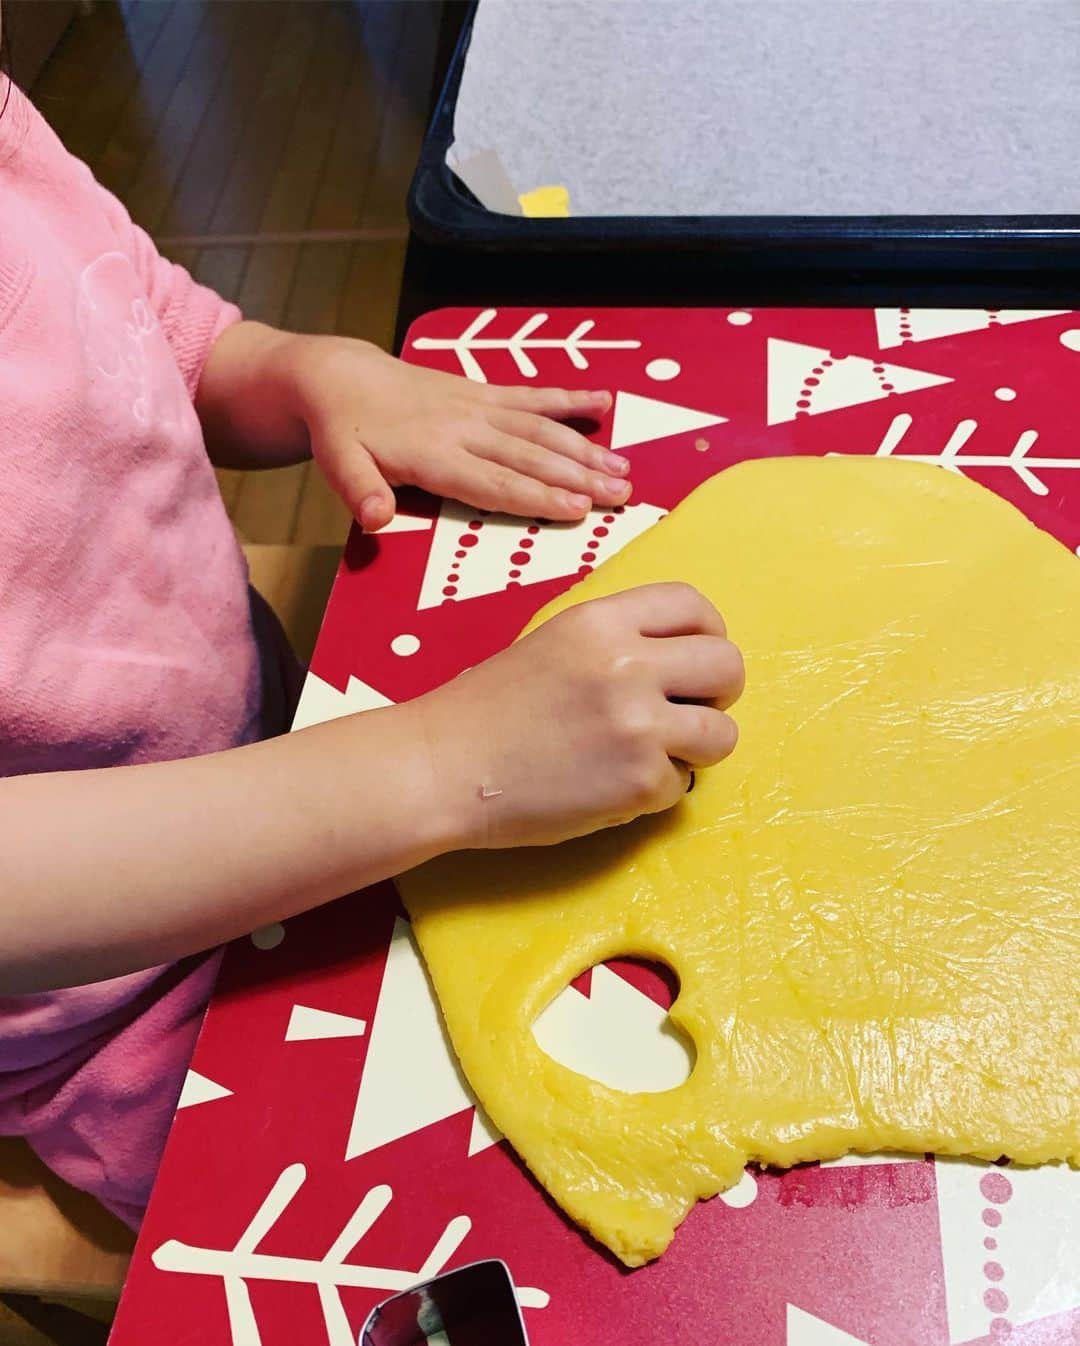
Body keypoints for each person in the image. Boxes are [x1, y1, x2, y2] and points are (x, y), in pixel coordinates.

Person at [0, 16, 744, 1228]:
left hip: (298, 731)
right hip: (120, 1009)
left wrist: (299, 369)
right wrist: (440, 762)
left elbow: (153, 326)